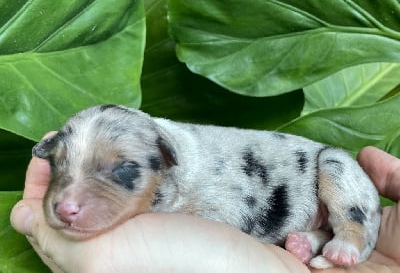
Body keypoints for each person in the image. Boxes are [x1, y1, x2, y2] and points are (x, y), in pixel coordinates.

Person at [10, 144, 400, 273]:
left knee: (335, 166)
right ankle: (318, 238)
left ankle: (348, 234)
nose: (69, 201)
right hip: (282, 224)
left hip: (309, 177)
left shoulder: (200, 170)